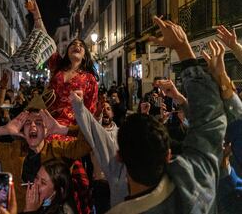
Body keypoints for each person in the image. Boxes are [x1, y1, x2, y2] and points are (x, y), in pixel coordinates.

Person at [71, 16, 232, 213]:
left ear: (119, 157)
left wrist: (78, 106)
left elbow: (95, 134)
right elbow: (210, 122)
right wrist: (183, 49)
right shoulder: (194, 183)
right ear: (168, 155)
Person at [26, 0, 97, 213]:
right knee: (42, 177)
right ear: (66, 53)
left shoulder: (90, 80)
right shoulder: (56, 66)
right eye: (73, 44)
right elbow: (45, 37)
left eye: (81, 46)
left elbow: (91, 113)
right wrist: (36, 13)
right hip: (46, 128)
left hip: (69, 135)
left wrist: (80, 134)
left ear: (84, 55)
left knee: (77, 182)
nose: (76, 45)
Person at [0, 107, 91, 212]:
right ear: (22, 130)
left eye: (39, 123)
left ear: (47, 129)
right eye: (27, 123)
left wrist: (62, 129)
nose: (33, 126)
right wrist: (3, 129)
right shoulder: (10, 151)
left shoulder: (59, 150)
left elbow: (90, 142)